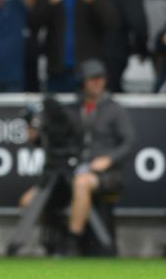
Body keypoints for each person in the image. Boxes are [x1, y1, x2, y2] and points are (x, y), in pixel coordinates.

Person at [66, 59, 135, 254]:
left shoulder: (114, 109)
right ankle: (55, 238)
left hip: (108, 174)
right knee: (28, 201)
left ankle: (73, 243)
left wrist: (109, 159)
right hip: (72, 169)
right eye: (92, 78)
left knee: (81, 183)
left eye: (101, 78)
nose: (98, 82)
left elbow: (128, 142)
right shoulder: (73, 108)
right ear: (83, 82)